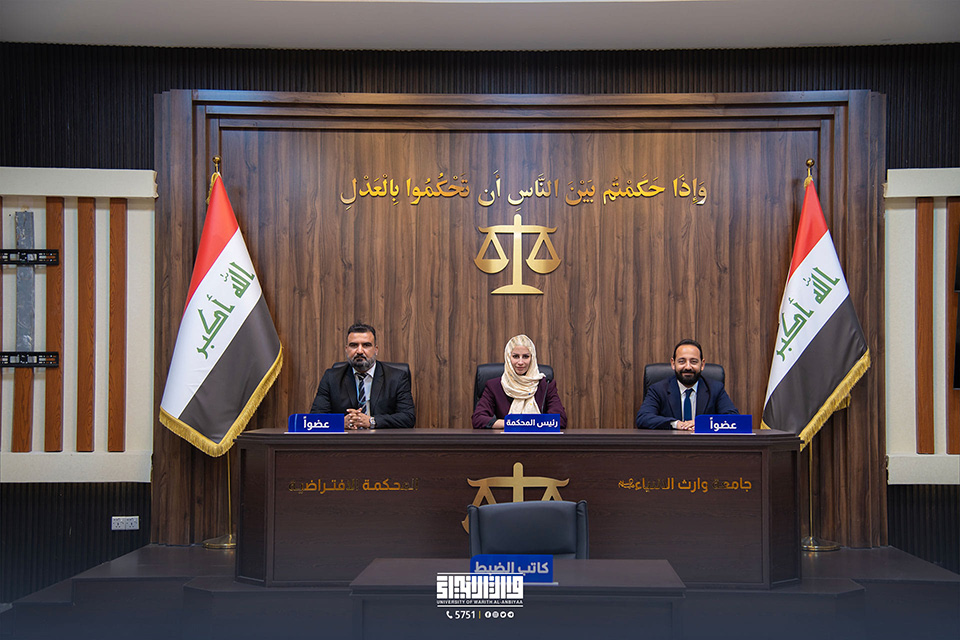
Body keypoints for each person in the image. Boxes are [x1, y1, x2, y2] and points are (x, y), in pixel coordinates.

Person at [310, 322, 415, 429]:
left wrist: (372, 421)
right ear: (346, 349)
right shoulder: (331, 378)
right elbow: (315, 418)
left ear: (376, 350)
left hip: (381, 438)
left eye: (366, 345)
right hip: (345, 438)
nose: (359, 351)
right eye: (354, 345)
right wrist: (341, 422)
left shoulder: (396, 377)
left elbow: (408, 418)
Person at [635, 339, 738, 430]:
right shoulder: (658, 389)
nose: (688, 367)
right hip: (670, 444)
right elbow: (643, 418)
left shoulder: (715, 388)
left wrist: (701, 423)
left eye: (693, 361)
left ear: (702, 365)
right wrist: (676, 424)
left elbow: (733, 419)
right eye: (682, 361)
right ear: (673, 364)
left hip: (705, 444)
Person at [472, 334, 567, 429]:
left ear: (532, 358)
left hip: (538, 438)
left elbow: (560, 420)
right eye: (515, 356)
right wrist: (511, 423)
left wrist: (523, 423)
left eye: (525, 356)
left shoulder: (545, 385)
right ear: (508, 358)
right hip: (507, 438)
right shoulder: (494, 386)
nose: (520, 362)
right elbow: (478, 419)